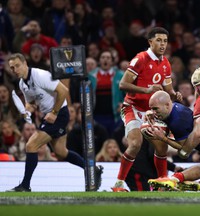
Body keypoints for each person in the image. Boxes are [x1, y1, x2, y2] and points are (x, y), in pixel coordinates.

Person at [6, 53, 103, 192]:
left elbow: (63, 91)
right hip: (50, 115)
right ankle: (93, 170)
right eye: (12, 68)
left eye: (17, 66)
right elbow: (32, 103)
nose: (15, 70)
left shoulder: (40, 75)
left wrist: (54, 112)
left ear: (25, 63)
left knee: (31, 145)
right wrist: (28, 110)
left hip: (59, 114)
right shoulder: (22, 84)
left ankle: (25, 185)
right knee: (61, 152)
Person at [111, 27, 182, 192]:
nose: (162, 44)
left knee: (161, 146)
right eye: (158, 40)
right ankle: (118, 184)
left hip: (152, 112)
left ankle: (162, 182)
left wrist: (174, 94)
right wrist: (146, 90)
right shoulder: (140, 59)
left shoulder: (165, 63)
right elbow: (123, 84)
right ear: (150, 42)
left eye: (165, 41)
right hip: (133, 108)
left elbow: (168, 90)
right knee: (135, 144)